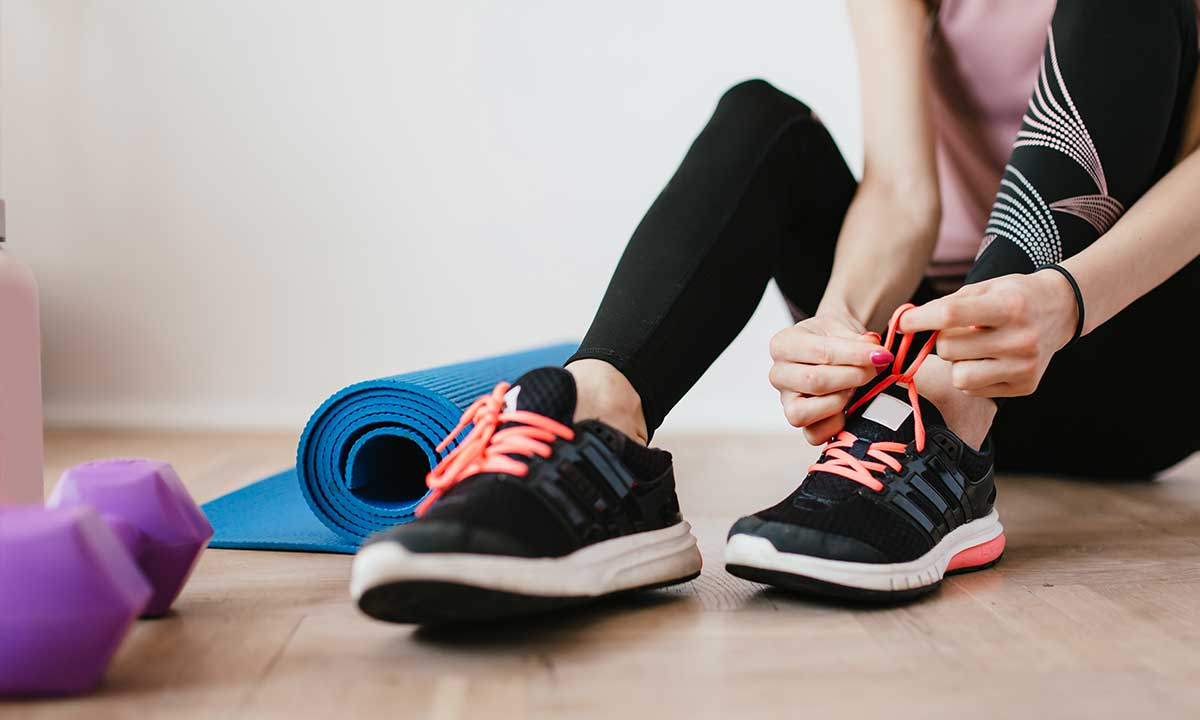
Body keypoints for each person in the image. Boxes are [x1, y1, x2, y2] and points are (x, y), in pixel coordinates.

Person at [351, 0, 1200, 622]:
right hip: (920, 345)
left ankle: (945, 425)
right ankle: (599, 435)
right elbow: (903, 191)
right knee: (763, 121)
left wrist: (1070, 298)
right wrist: (838, 323)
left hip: (1117, 339)